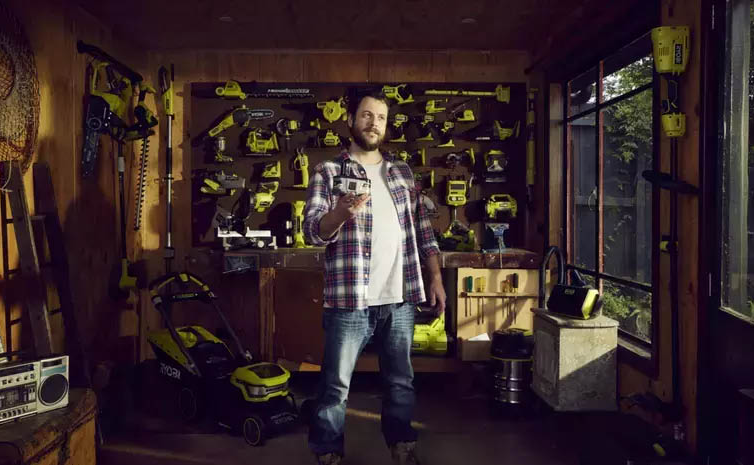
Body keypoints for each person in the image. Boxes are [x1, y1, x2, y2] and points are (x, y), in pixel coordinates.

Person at [303, 88, 446, 465]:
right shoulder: (328, 171)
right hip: (350, 299)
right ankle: (328, 451)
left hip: (400, 299)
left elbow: (423, 230)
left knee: (400, 382)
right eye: (366, 115)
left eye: (380, 117)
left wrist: (435, 278)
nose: (374, 123)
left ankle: (402, 445)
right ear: (351, 120)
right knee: (336, 386)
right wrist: (340, 213)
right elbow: (313, 231)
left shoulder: (401, 171)